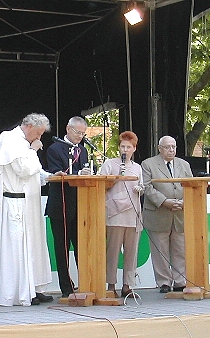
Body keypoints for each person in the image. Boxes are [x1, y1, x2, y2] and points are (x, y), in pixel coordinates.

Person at [0, 113, 64, 306]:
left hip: (30, 202)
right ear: (30, 126)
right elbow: (23, 169)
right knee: (19, 247)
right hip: (16, 203)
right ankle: (23, 291)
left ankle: (36, 287)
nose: (39, 138)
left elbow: (35, 172)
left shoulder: (25, 143)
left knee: (34, 245)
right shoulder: (9, 139)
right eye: (39, 133)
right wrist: (33, 150)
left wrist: (49, 176)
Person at [45, 116, 90, 298]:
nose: (80, 136)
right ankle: (66, 286)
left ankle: (86, 282)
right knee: (62, 247)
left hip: (80, 204)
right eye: (77, 132)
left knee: (81, 245)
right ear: (68, 129)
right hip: (60, 203)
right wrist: (77, 173)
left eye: (83, 133)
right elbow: (55, 173)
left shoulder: (83, 150)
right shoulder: (55, 149)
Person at [141, 136, 193, 293]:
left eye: (174, 147)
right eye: (167, 147)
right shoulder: (148, 164)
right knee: (160, 251)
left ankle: (180, 281)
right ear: (159, 148)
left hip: (180, 214)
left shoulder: (184, 164)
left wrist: (184, 201)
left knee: (180, 249)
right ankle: (164, 282)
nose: (171, 150)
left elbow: (192, 185)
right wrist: (165, 201)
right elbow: (147, 187)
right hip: (158, 213)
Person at [99, 131, 144, 298]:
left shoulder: (138, 168)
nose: (125, 150)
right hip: (115, 213)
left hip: (132, 214)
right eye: (122, 146)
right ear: (119, 148)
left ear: (134, 149)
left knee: (131, 252)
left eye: (129, 147)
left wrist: (140, 189)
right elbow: (102, 184)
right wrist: (118, 175)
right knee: (113, 250)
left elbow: (141, 184)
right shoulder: (110, 164)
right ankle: (111, 285)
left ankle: (128, 285)